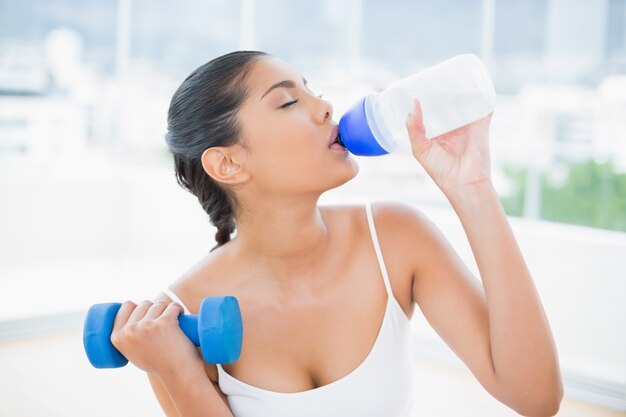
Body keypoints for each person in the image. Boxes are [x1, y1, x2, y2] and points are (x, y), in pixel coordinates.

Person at [109, 51, 563, 417]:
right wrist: (177, 372)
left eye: (314, 92)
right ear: (228, 163)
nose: (325, 107)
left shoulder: (395, 238)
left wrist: (475, 190)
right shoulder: (174, 323)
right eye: (288, 102)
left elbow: (535, 399)